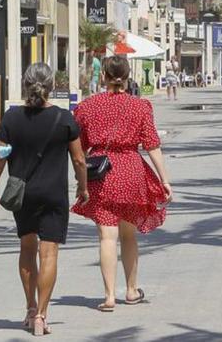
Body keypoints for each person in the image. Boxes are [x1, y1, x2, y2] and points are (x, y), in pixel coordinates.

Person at [0, 63, 88, 336]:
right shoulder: (64, 118)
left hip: (24, 195)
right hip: (54, 194)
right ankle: (43, 314)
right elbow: (79, 159)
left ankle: (30, 308)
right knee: (49, 252)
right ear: (51, 85)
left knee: (27, 248)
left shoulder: (11, 119)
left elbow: (0, 157)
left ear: (24, 84)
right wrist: (83, 187)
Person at [72, 55, 172, 312]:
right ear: (127, 77)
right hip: (130, 171)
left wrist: (80, 181)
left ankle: (108, 297)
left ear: (103, 76)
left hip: (100, 173)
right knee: (128, 235)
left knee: (107, 236)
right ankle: (130, 290)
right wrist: (164, 179)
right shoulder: (140, 107)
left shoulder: (87, 107)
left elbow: (79, 150)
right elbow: (152, 145)